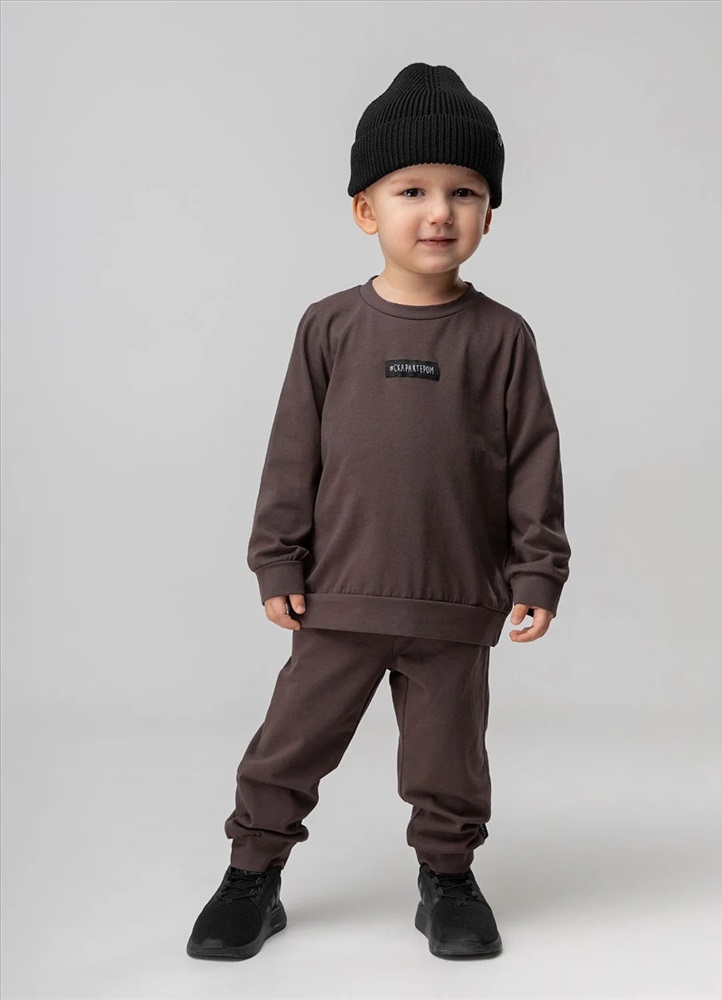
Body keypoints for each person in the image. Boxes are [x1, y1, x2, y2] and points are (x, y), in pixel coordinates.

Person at [187, 61, 572, 963]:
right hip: (340, 597)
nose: (439, 212)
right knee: (289, 748)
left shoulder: (503, 337)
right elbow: (292, 455)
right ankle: (252, 876)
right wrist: (277, 559)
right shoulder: (330, 327)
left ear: (489, 214)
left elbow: (534, 463)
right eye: (412, 190)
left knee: (449, 763)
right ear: (366, 209)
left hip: (456, 603)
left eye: (464, 192)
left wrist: (538, 571)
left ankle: (448, 879)